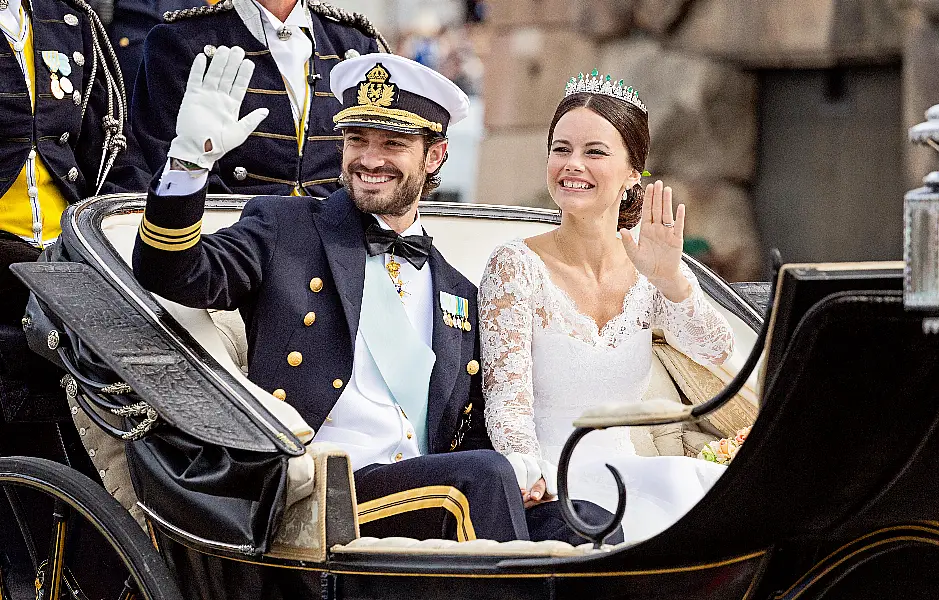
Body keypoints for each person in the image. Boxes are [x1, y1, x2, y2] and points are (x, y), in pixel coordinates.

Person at [132, 49, 619, 545]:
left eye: (393, 142)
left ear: (435, 155)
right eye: (356, 139)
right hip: (322, 495)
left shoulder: (458, 291)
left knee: (590, 522)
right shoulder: (286, 228)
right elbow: (174, 272)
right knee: (481, 479)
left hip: (437, 494)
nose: (369, 158)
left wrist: (524, 471)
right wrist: (187, 165)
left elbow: (468, 431)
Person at [478, 72, 735, 544]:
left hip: (628, 475)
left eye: (594, 151)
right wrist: (529, 478)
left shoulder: (651, 264)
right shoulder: (514, 266)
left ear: (634, 173)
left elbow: (716, 350)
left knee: (712, 500)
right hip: (553, 493)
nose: (572, 164)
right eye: (561, 148)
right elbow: (507, 404)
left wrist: (670, 280)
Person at [131, 0, 387, 198]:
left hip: (337, 245)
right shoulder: (180, 41)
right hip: (228, 244)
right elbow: (168, 179)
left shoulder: (354, 43)